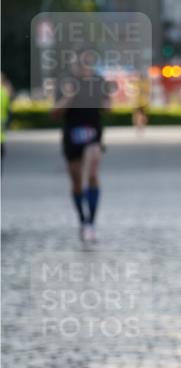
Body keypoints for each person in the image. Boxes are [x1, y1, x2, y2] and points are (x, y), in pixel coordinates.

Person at [51, 50, 111, 244]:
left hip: (93, 135)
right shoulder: (65, 82)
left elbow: (109, 107)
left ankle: (91, 223)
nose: (85, 66)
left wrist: (102, 100)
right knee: (76, 180)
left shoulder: (99, 81)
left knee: (93, 174)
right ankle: (83, 220)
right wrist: (69, 97)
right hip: (72, 136)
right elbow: (54, 113)